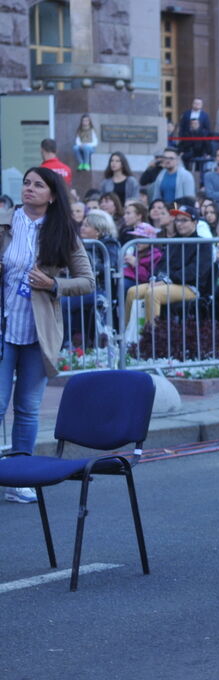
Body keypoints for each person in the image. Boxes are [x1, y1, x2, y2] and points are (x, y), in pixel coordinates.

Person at [0, 167, 95, 504]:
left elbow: (87, 280)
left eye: (38, 185)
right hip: (4, 327)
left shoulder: (63, 232)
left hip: (38, 332)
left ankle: (18, 479)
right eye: (26, 183)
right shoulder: (5, 224)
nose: (29, 189)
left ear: (52, 195)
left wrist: (54, 285)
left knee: (26, 408)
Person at [123, 205, 212, 328]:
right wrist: (154, 278)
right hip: (167, 283)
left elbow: (195, 271)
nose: (179, 224)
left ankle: (153, 339)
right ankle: (127, 336)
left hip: (190, 287)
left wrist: (168, 280)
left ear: (195, 222)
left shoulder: (203, 243)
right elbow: (161, 264)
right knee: (133, 291)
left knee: (153, 293)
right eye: (177, 220)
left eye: (184, 220)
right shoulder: (173, 241)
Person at [63, 209, 119, 349]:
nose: (82, 227)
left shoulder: (109, 244)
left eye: (87, 225)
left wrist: (85, 268)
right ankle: (71, 342)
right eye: (82, 225)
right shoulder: (80, 244)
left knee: (63, 303)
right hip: (80, 287)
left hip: (99, 290)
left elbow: (110, 265)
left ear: (98, 230)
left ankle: (65, 344)